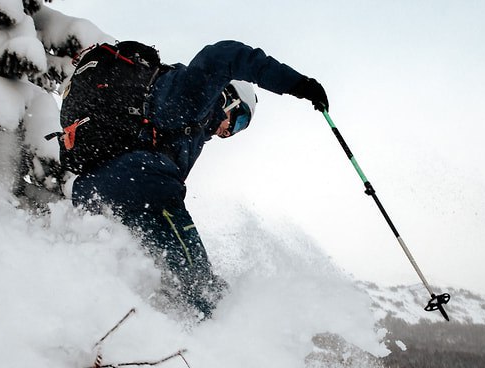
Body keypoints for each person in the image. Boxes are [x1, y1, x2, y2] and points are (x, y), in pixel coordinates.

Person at [71, 40, 328, 319]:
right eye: (239, 120)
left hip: (99, 190)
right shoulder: (191, 99)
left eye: (239, 130)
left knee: (159, 277)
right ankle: (223, 324)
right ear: (228, 97)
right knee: (202, 286)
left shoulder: (188, 135)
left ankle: (162, 330)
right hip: (140, 183)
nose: (229, 132)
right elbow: (223, 56)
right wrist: (298, 85)